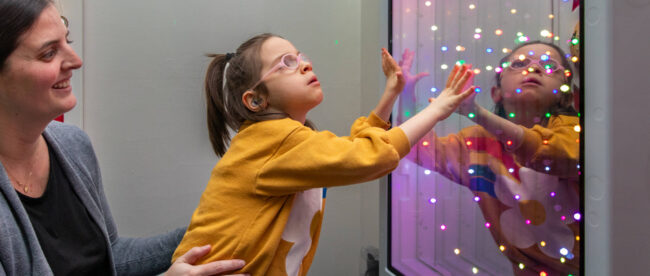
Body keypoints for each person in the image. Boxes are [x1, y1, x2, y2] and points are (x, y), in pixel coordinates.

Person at [171, 33, 475, 275]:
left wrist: (391, 93)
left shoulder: (282, 142)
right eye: (286, 63)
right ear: (256, 100)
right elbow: (369, 156)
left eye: (301, 57)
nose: (305, 64)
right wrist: (438, 109)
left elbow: (353, 150)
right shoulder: (273, 141)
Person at [0, 0, 247, 274]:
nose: (76, 61)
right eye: (48, 53)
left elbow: (111, 256)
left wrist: (217, 227)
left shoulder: (73, 145)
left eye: (67, 41)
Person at [397, 42, 580, 275]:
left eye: (549, 66)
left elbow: (554, 154)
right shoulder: (479, 144)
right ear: (497, 93)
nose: (533, 68)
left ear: (566, 96)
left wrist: (478, 113)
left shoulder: (573, 130)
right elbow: (420, 151)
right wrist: (405, 95)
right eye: (520, 64)